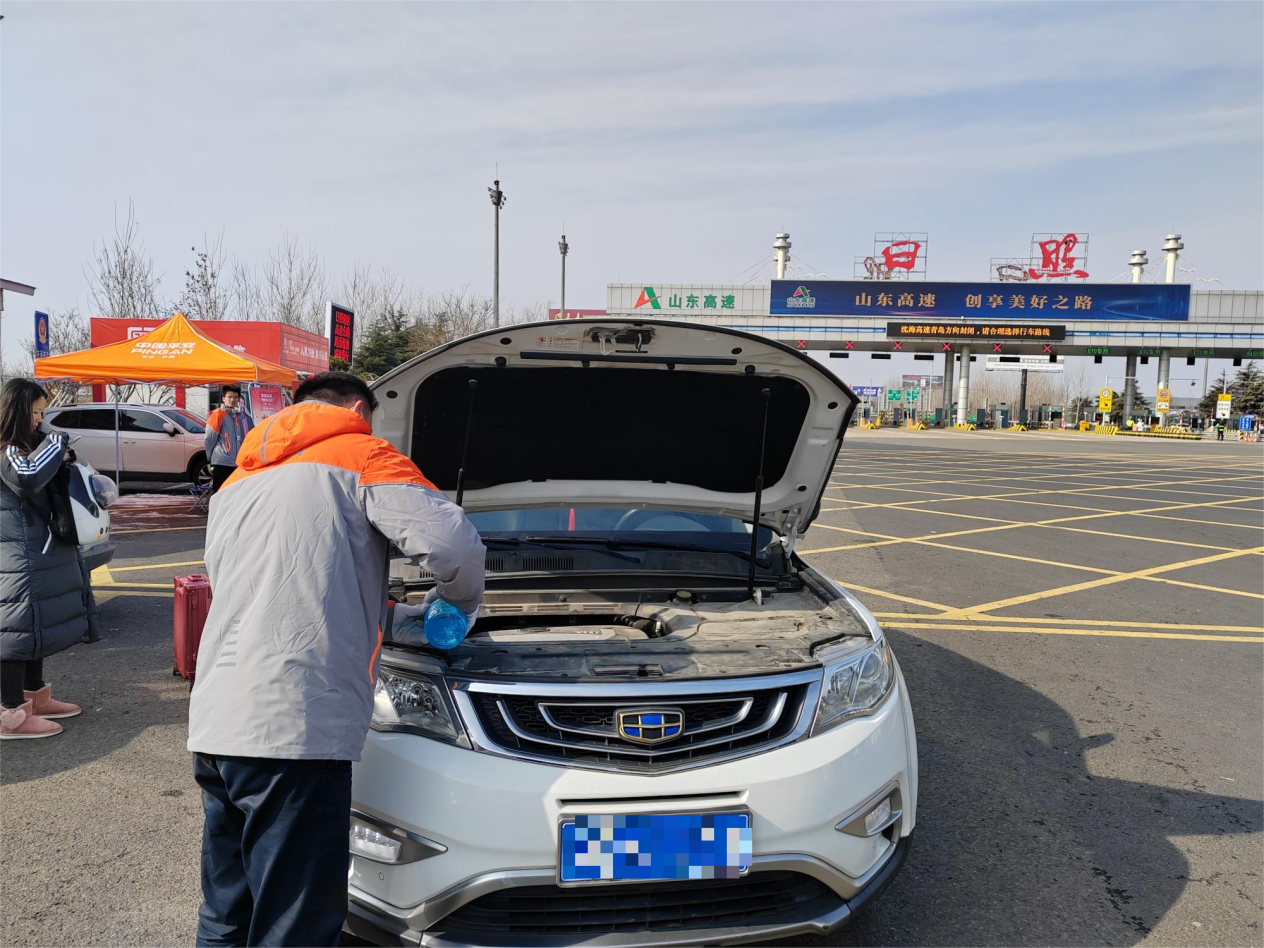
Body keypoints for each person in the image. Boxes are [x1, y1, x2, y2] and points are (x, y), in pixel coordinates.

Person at [187, 370, 485, 947]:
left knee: (229, 910)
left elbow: (276, 591)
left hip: (219, 724)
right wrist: (454, 608)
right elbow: (454, 547)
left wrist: (396, 616)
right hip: (296, 732)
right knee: (295, 921)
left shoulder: (239, 479)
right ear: (356, 408)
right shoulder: (362, 453)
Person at [0, 379, 93, 739]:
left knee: (36, 624)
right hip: (14, 554)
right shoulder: (6, 449)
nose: (40, 420)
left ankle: (32, 696)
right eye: (35, 412)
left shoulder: (27, 445)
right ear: (17, 410)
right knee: (14, 630)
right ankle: (10, 712)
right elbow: (26, 478)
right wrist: (55, 445)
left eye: (43, 412)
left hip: (33, 550)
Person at [204, 384, 255, 493]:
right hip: (221, 461)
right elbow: (209, 438)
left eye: (235, 397)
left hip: (235, 462)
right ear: (223, 398)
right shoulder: (218, 414)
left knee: (233, 493)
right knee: (220, 493)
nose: (233, 400)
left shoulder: (238, 415)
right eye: (230, 397)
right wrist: (210, 457)